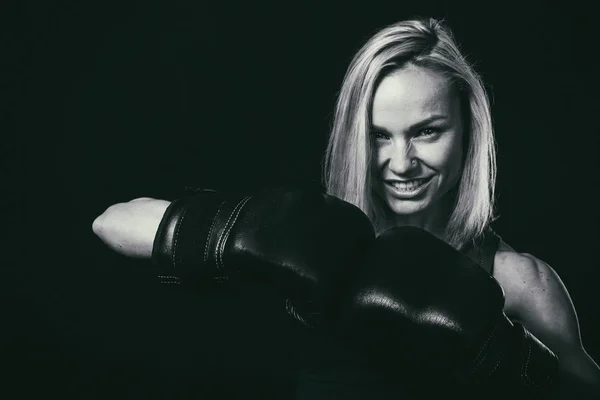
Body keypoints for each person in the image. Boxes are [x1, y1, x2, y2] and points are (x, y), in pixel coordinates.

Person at [92, 18, 600, 397]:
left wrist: (500, 353)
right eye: (378, 136)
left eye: (426, 131)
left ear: (469, 132)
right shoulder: (314, 247)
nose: (401, 162)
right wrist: (248, 233)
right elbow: (112, 224)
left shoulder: (518, 282)